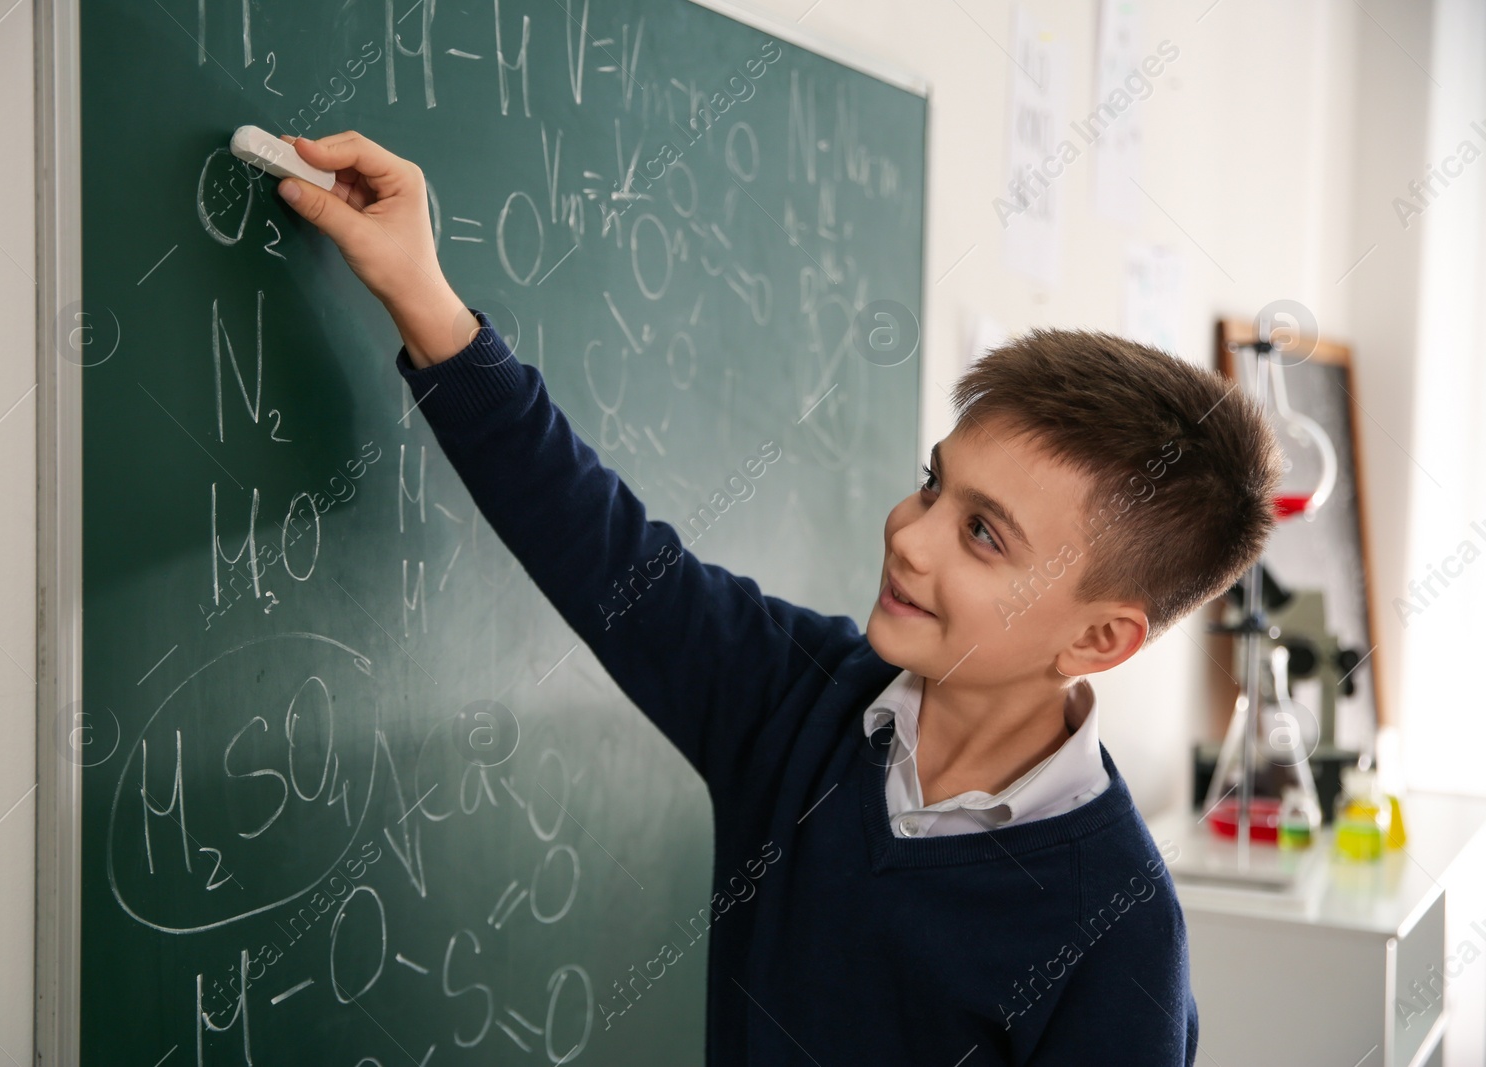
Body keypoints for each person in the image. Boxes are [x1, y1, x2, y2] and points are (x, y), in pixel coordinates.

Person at [277, 129, 1282, 1065]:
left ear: (1099, 638)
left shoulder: (1116, 931)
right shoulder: (795, 701)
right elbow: (591, 536)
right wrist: (422, 291)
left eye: (982, 532)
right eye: (933, 482)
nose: (910, 533)